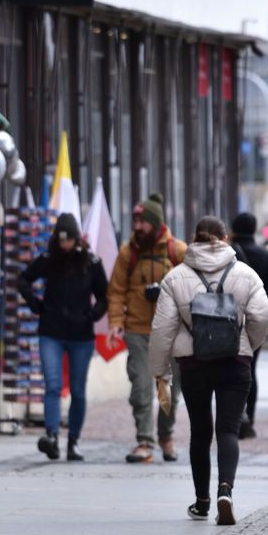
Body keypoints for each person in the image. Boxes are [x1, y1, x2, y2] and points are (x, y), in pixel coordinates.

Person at [149, 216, 268, 525]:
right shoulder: (246, 274)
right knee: (229, 430)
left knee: (200, 432)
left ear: (194, 238)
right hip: (236, 363)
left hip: (194, 365)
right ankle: (225, 490)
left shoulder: (176, 277)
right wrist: (247, 346)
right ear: (225, 238)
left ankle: (202, 501)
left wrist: (159, 372)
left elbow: (162, 329)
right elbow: (262, 315)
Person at [17, 213, 108, 461]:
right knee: (53, 385)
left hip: (81, 335)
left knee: (78, 390)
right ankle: (53, 437)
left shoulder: (91, 262)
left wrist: (91, 316)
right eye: (61, 240)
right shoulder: (49, 259)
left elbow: (105, 295)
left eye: (69, 240)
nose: (65, 245)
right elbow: (23, 280)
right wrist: (37, 306)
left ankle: (74, 441)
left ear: (77, 239)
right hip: (51, 331)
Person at [107, 193, 188, 464]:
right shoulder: (128, 253)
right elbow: (116, 291)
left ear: (157, 223)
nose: (138, 226)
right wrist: (116, 324)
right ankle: (144, 441)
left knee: (168, 393)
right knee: (140, 387)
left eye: (143, 221)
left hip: (172, 333)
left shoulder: (177, 251)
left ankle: (166, 437)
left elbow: (194, 288)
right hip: (138, 331)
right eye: (135, 221)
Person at [230, 212, 268, 439]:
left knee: (232, 366)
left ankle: (234, 414)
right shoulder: (264, 255)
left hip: (230, 319)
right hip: (257, 319)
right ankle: (249, 414)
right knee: (251, 368)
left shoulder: (228, 256)